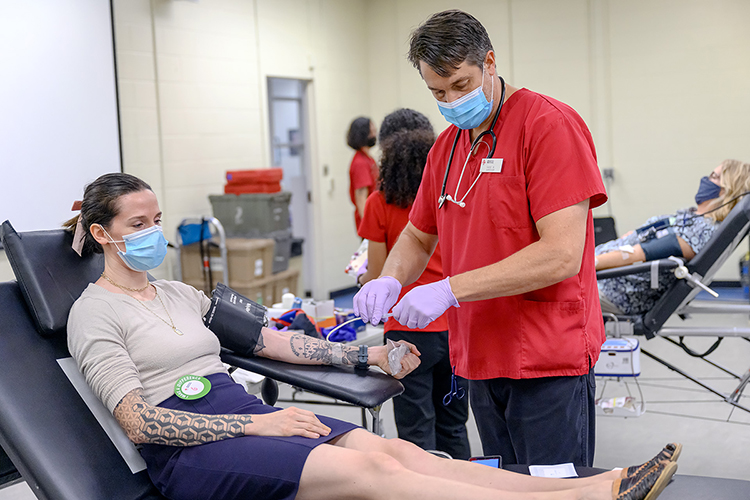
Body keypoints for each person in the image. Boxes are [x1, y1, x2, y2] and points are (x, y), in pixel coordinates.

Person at [65, 172, 679, 500]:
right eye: (137, 225)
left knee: (402, 453)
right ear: (102, 236)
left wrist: (369, 353)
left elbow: (271, 343)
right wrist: (258, 423)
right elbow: (141, 423)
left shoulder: (179, 294)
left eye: (157, 221)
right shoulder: (93, 314)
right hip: (194, 452)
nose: (153, 234)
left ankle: (590, 486)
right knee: (375, 478)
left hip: (247, 416)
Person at [354, 9, 607, 467]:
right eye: (437, 92)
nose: (451, 100)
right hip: (478, 355)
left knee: (552, 491)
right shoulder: (448, 146)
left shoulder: (547, 125)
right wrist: (390, 278)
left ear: (490, 62)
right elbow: (416, 233)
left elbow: (561, 254)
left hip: (546, 356)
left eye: (461, 86)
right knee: (502, 486)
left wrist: (450, 289)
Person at [358, 109, 470, 460]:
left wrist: (362, 280)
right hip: (455, 321)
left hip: (408, 330)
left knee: (415, 429)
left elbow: (379, 273)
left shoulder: (379, 203)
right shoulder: (453, 196)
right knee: (454, 423)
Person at [597, 159, 750, 315]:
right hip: (606, 280)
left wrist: (587, 264)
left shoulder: (702, 230)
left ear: (726, 191)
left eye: (713, 176)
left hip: (612, 290)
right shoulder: (696, 219)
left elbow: (634, 255)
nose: (706, 179)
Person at [347, 116, 379, 230]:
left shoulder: (368, 159)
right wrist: (371, 228)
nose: (375, 133)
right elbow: (361, 199)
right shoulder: (360, 163)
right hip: (370, 226)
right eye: (372, 130)